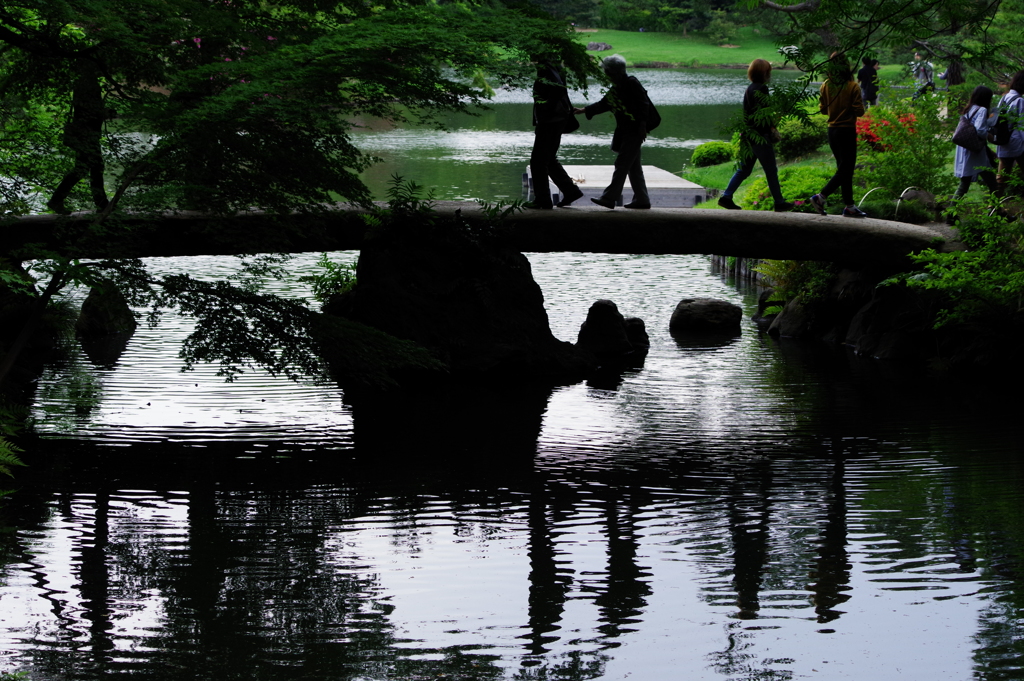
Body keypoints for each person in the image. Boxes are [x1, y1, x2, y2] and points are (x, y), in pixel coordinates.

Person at [573, 54, 650, 209]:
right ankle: (642, 200)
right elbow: (604, 104)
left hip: (635, 131)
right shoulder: (619, 87)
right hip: (627, 130)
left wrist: (643, 126)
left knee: (622, 164)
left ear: (613, 71)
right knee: (634, 167)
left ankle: (609, 198)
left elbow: (644, 105)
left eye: (607, 71)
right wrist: (582, 111)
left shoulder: (631, 83)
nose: (605, 74)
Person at [717, 58, 793, 212]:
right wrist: (772, 126)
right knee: (771, 170)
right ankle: (779, 202)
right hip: (760, 137)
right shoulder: (762, 89)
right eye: (768, 72)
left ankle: (726, 197)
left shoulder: (749, 88)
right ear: (764, 73)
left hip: (748, 135)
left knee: (744, 170)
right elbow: (762, 116)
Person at [809, 53, 867, 217]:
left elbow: (823, 110)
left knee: (844, 169)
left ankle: (849, 206)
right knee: (846, 169)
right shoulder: (852, 86)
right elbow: (860, 111)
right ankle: (821, 197)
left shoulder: (826, 85)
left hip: (832, 130)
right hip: (846, 130)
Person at [529, 58, 584, 209]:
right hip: (557, 118)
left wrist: (546, 109)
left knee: (538, 161)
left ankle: (543, 199)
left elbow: (558, 89)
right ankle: (570, 191)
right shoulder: (555, 65)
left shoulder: (547, 67)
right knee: (549, 159)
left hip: (551, 120)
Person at [952, 85, 999, 210]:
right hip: (975, 154)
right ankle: (995, 210)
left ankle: (950, 213)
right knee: (993, 184)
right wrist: (989, 136)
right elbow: (980, 131)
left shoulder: (969, 109)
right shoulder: (982, 110)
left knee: (964, 184)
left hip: (967, 150)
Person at [995, 71, 1024, 197]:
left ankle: (993, 206)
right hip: (1016, 143)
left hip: (1003, 141)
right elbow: (1022, 125)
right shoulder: (1020, 101)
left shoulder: (1004, 98)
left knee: (1001, 178)